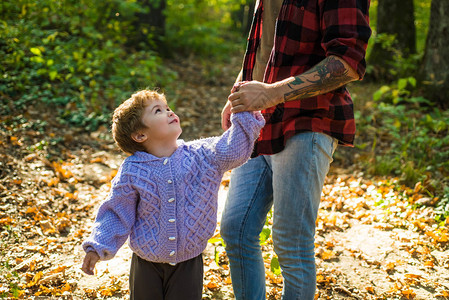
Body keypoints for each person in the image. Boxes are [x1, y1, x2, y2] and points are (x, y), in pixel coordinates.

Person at [220, 0, 371, 299]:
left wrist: (272, 93)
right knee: (236, 229)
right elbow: (265, 46)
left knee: (291, 242)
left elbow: (347, 62)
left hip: (308, 121)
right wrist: (238, 90)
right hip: (258, 122)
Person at [81, 89, 265, 300]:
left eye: (168, 107)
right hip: (146, 263)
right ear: (140, 135)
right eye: (158, 110)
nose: (169, 112)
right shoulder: (133, 170)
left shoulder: (202, 155)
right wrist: (98, 245)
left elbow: (233, 149)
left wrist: (245, 112)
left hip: (188, 263)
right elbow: (117, 210)